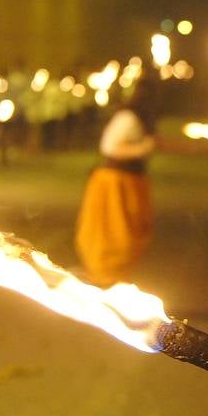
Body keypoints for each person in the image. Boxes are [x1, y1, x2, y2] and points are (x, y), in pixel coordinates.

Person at [74, 76, 161, 286]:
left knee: (130, 232)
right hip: (115, 182)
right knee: (115, 235)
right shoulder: (128, 118)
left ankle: (110, 279)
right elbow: (110, 147)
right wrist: (143, 148)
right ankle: (105, 279)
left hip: (129, 181)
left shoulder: (135, 117)